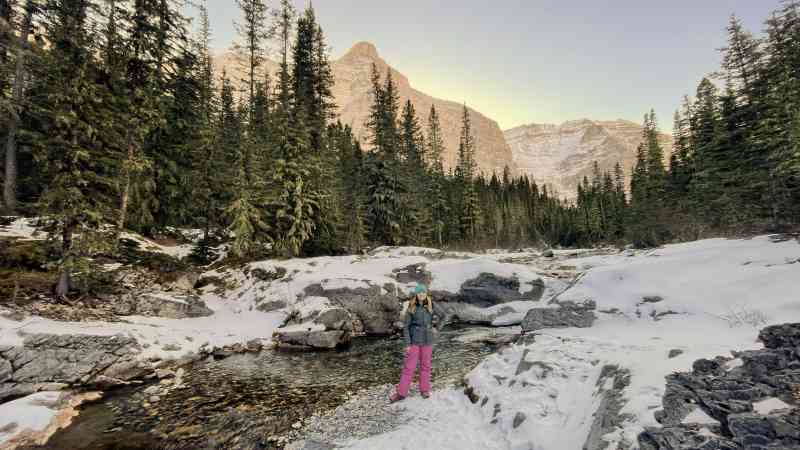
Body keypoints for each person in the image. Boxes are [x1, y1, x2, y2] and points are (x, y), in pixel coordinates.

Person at [390, 283, 436, 403]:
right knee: (409, 367)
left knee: (425, 365)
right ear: (416, 294)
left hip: (428, 340)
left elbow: (446, 315)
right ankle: (401, 393)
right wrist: (407, 344)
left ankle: (424, 389)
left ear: (426, 293)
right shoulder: (412, 306)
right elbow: (406, 327)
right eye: (420, 292)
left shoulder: (431, 305)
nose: (422, 294)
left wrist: (435, 328)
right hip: (414, 340)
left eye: (423, 292)